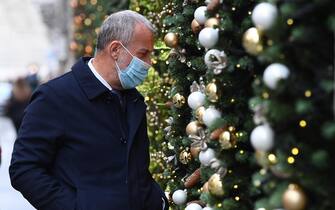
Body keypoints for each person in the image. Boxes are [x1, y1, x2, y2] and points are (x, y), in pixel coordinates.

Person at [9, 10, 169, 210]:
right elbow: (24, 169)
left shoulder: (133, 99)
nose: (149, 63)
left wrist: (157, 200)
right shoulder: (55, 96)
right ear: (115, 50)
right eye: (143, 54)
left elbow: (136, 171)